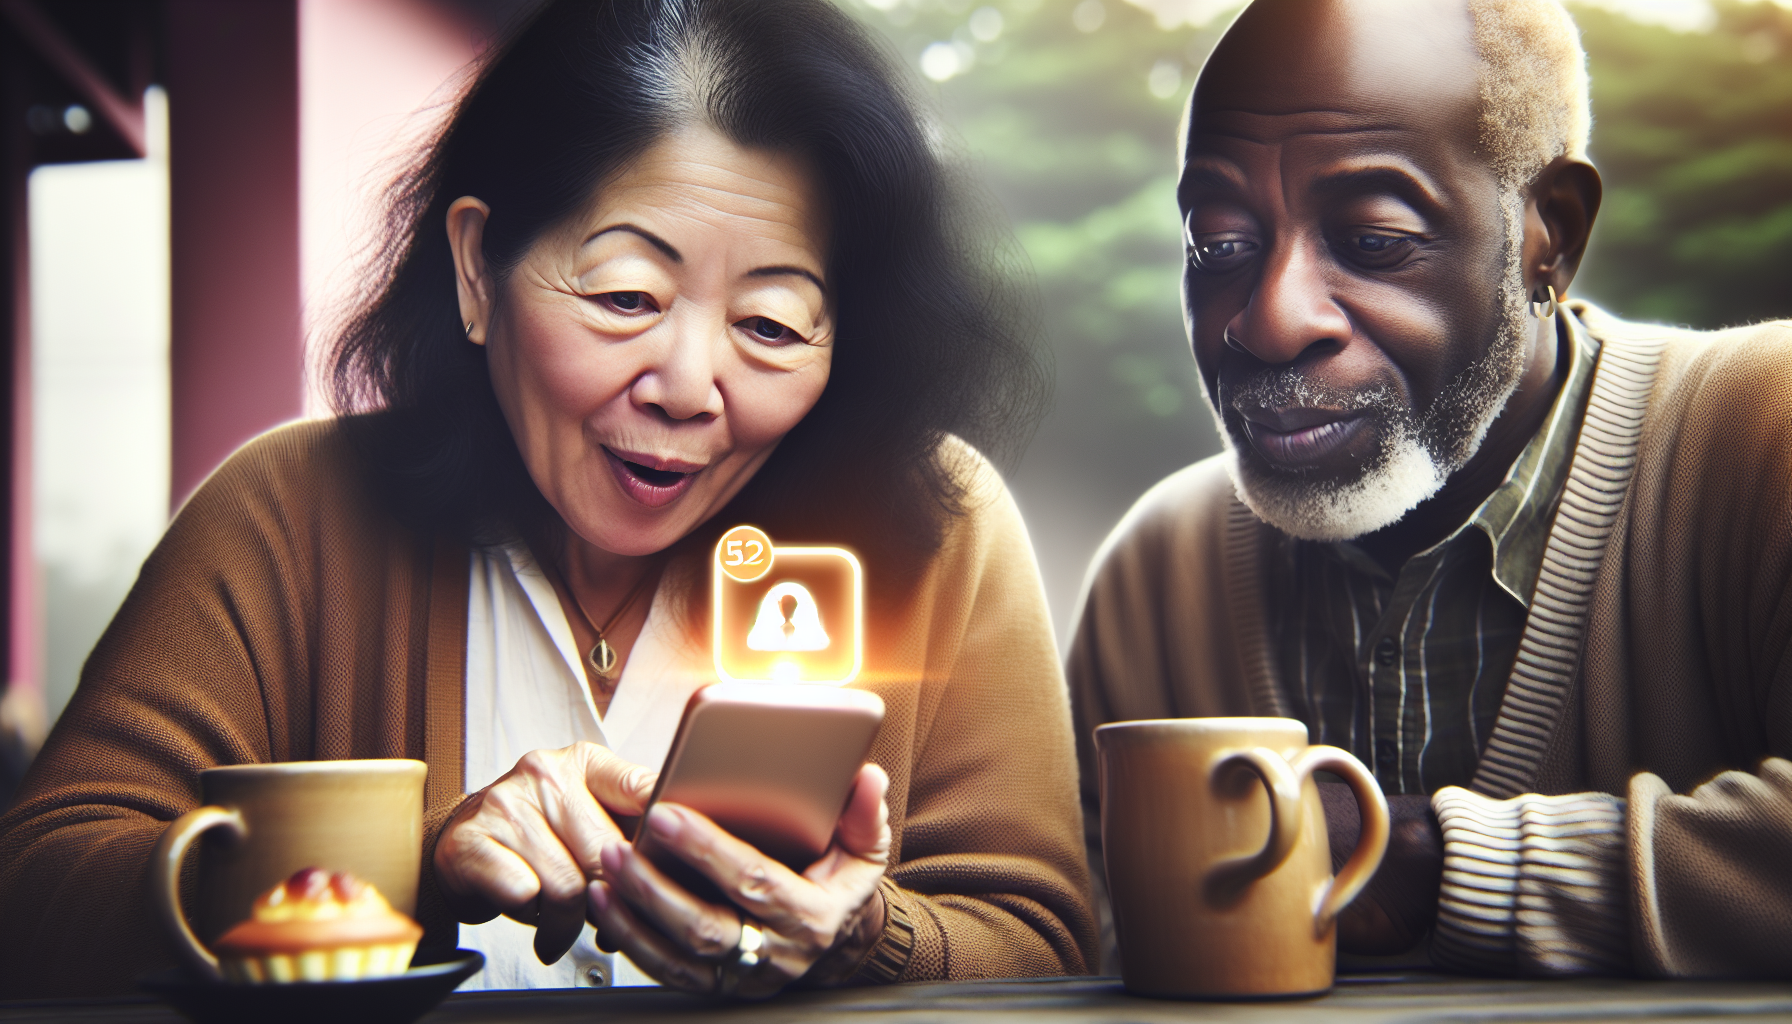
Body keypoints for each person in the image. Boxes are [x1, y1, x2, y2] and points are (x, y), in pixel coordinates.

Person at [0, 0, 1097, 998]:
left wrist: (864, 936)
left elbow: (1039, 940)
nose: (686, 388)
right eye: (626, 295)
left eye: (769, 325)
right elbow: (35, 892)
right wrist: (409, 865)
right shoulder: (286, 512)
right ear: (479, 269)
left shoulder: (937, 527)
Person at [1069, 0, 1792, 980]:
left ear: (1549, 235)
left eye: (1372, 240)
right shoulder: (1161, 568)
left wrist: (1432, 864)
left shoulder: (1759, 431)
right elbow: (1069, 938)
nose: (1271, 321)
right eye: (1221, 244)